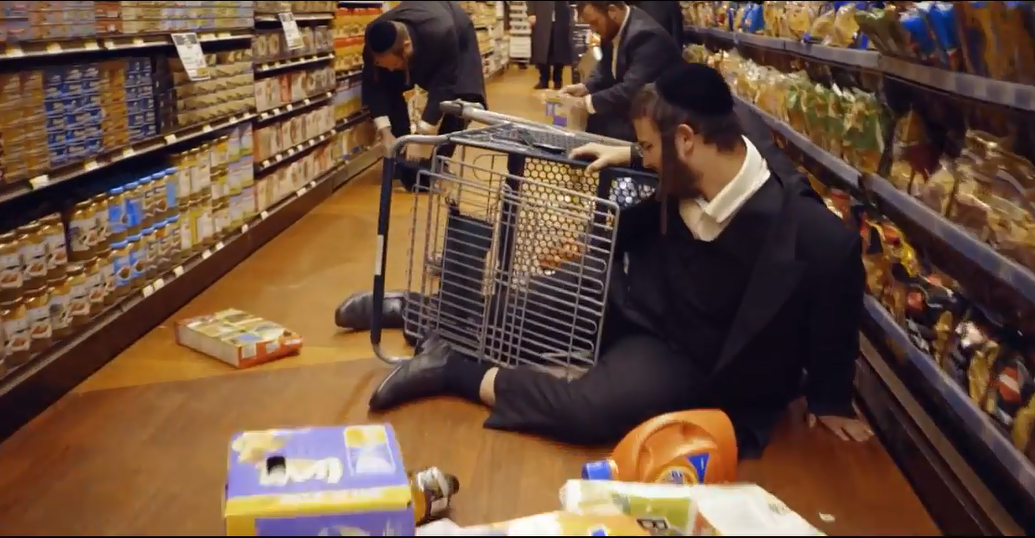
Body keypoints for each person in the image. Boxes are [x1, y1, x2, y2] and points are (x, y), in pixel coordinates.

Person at [360, 63, 875, 457]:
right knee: (518, 308)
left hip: (683, 352)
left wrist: (831, 397)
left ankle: (450, 370)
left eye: (647, 148)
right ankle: (415, 311)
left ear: (686, 141)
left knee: (588, 411)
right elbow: (664, 161)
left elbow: (836, 301)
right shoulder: (714, 141)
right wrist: (627, 157)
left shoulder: (812, 237)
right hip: (629, 284)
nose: (643, 159)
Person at [361, 1, 486, 192]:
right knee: (388, 83)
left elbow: (443, 87)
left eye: (394, 65)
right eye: (383, 64)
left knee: (463, 98)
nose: (390, 69)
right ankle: (403, 159)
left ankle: (438, 161)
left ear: (406, 47)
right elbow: (375, 86)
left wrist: (420, 136)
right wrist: (386, 132)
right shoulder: (375, 39)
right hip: (414, 34)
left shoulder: (442, 33)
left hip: (456, 32)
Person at [558, 1, 682, 142]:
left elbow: (632, 89)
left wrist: (585, 103)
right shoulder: (614, 28)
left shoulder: (646, 36)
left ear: (612, 11)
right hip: (633, 114)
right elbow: (605, 71)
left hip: (658, 122)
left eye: (594, 23)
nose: (593, 30)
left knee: (590, 128)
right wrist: (585, 88)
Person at [527, 1, 575, 90]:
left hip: (562, 16)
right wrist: (531, 12)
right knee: (542, 49)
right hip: (542, 14)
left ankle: (558, 80)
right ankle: (543, 79)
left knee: (560, 49)